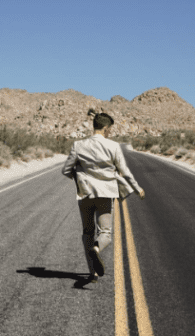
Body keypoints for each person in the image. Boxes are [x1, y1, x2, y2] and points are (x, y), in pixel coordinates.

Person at [62, 112, 145, 283]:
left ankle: (93, 273)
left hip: (85, 194)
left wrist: (79, 178)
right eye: (110, 130)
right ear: (106, 128)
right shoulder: (113, 147)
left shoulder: (78, 145)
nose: (110, 133)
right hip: (106, 194)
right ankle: (97, 248)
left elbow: (66, 170)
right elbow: (125, 171)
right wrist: (137, 188)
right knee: (105, 232)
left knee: (87, 231)